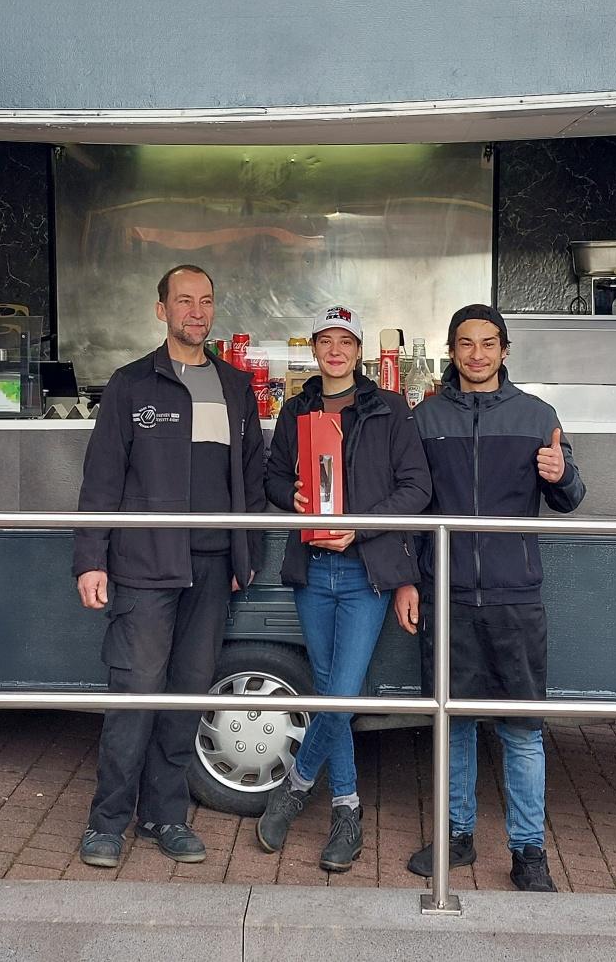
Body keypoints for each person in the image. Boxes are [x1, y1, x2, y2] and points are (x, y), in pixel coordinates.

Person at [72, 265, 267, 868]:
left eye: (206, 301)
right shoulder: (132, 385)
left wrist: (246, 553)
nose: (197, 312)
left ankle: (165, 817)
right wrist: (91, 560)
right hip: (144, 567)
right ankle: (107, 823)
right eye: (184, 301)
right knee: (135, 695)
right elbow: (101, 479)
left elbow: (253, 479)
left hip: (211, 569)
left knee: (185, 697)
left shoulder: (236, 388)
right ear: (162, 310)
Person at [393, 304, 583, 892]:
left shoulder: (537, 416)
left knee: (522, 731)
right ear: (452, 351)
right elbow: (410, 507)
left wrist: (560, 475)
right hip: (446, 595)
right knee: (454, 725)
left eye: (488, 343)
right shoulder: (425, 418)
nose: (477, 354)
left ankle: (529, 853)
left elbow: (570, 499)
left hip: (514, 596)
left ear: (505, 350)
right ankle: (457, 837)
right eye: (466, 344)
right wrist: (408, 578)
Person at [254, 305, 431, 872]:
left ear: (359, 353)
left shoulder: (389, 409)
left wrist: (362, 524)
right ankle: (346, 810)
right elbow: (272, 477)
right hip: (311, 570)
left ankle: (302, 787)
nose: (335, 351)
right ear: (315, 350)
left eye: (345, 342)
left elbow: (417, 489)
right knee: (332, 688)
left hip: (364, 573)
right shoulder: (296, 409)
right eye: (325, 341)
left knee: (341, 694)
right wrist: (293, 499)